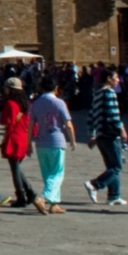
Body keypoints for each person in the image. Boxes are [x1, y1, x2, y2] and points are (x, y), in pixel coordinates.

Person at [84, 68, 128, 206]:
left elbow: (91, 116)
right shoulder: (110, 93)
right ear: (109, 78)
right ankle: (95, 184)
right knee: (116, 166)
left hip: (100, 135)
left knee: (111, 165)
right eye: (116, 77)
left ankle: (113, 196)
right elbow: (113, 115)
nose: (118, 80)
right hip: (110, 134)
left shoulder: (97, 94)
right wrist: (122, 129)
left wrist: (91, 134)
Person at [29, 79, 75, 214]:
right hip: (56, 141)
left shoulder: (36, 104)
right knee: (57, 174)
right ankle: (43, 198)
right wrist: (72, 139)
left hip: (41, 142)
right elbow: (68, 124)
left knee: (48, 174)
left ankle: (54, 204)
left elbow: (31, 125)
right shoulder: (59, 103)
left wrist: (28, 144)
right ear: (55, 88)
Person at [0, 78, 40, 212]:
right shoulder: (27, 104)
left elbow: (8, 124)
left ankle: (24, 195)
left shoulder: (10, 104)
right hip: (24, 138)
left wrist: (4, 140)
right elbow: (33, 125)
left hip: (14, 137)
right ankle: (28, 194)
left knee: (15, 169)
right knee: (17, 168)